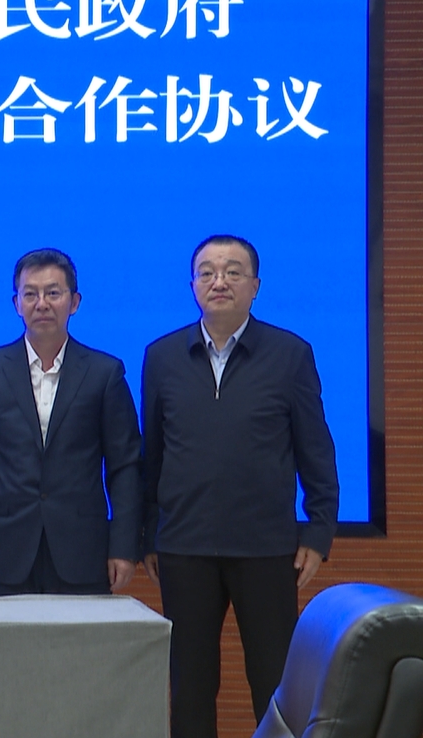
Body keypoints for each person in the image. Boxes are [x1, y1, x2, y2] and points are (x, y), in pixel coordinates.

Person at [142, 235, 339, 738]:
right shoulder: (162, 356)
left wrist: (318, 531)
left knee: (275, 684)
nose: (219, 281)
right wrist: (148, 533)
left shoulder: (290, 354)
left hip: (265, 547)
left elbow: (316, 449)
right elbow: (152, 455)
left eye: (233, 271)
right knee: (189, 686)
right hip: (184, 546)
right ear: (192, 285)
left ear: (255, 286)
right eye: (207, 272)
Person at [0, 248, 142, 596]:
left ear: (74, 302)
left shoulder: (105, 373)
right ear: (16, 303)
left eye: (53, 293)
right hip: (2, 549)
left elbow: (125, 466)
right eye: (30, 294)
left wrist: (124, 546)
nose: (42, 304)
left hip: (82, 548)